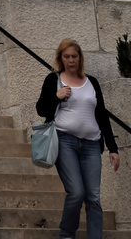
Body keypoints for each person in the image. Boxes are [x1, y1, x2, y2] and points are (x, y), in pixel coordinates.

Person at [36, 37, 120, 239]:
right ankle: (66, 235)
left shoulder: (92, 82)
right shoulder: (53, 80)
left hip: (91, 145)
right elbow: (41, 109)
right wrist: (56, 96)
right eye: (67, 56)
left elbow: (101, 115)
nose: (71, 60)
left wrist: (113, 148)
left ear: (80, 58)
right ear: (61, 58)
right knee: (76, 192)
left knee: (93, 197)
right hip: (65, 142)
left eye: (74, 56)